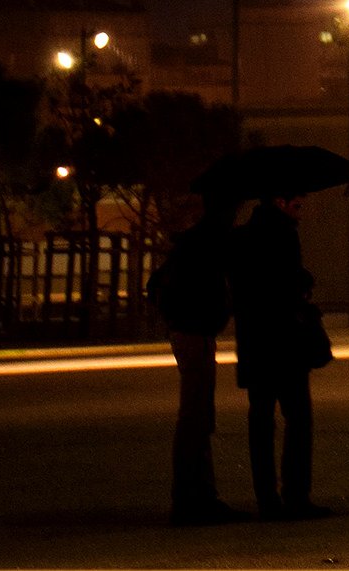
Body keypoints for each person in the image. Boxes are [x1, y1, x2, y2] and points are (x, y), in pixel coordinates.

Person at [231, 192, 330, 520]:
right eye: (296, 201)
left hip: (255, 341)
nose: (301, 205)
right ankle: (296, 494)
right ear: (279, 201)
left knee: (261, 420)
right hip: (285, 342)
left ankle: (267, 498)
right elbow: (285, 285)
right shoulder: (285, 235)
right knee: (298, 418)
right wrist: (303, 281)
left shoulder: (243, 236)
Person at [148, 194, 243, 525]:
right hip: (196, 332)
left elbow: (157, 284)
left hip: (189, 330)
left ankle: (197, 494)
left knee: (197, 414)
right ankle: (193, 496)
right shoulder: (210, 245)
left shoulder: (191, 243)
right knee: (196, 415)